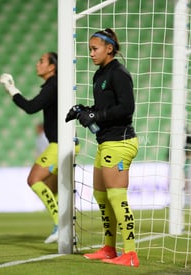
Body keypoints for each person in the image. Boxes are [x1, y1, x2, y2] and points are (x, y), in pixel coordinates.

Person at [66, 28, 139, 267]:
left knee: (117, 197)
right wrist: (84, 110)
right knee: (100, 194)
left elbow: (126, 108)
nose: (91, 53)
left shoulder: (119, 73)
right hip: (106, 142)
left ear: (109, 48)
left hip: (120, 142)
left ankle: (130, 254)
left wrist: (96, 113)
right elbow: (103, 109)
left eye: (94, 48)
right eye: (89, 49)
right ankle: (109, 248)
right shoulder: (100, 75)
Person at [0, 52, 60, 244]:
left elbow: (31, 107)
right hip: (63, 143)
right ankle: (65, 226)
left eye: (41, 61)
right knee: (52, 188)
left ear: (52, 67)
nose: (37, 64)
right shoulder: (55, 85)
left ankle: (62, 224)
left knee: (34, 180)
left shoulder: (53, 85)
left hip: (60, 144)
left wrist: (12, 89)